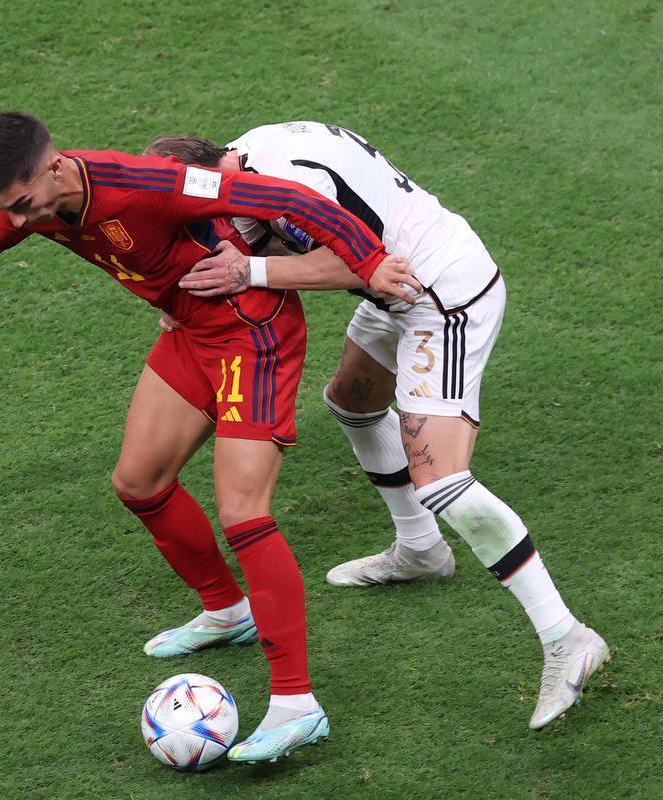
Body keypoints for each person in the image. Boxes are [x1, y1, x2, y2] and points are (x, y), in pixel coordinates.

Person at [0, 112, 421, 760]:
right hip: (193, 332)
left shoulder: (147, 183)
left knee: (243, 511)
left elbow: (284, 197)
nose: (18, 221)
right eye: (7, 209)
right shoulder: (32, 206)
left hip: (253, 334)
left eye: (22, 204)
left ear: (54, 166)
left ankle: (296, 703)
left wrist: (369, 261)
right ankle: (228, 611)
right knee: (139, 482)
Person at [145, 122, 608, 730]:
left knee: (442, 479)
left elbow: (358, 263)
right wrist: (192, 295)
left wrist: (246, 274)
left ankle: (566, 636)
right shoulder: (247, 160)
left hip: (440, 296)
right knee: (353, 401)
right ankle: (420, 550)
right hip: (399, 290)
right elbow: (271, 240)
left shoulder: (292, 178)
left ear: (205, 178)